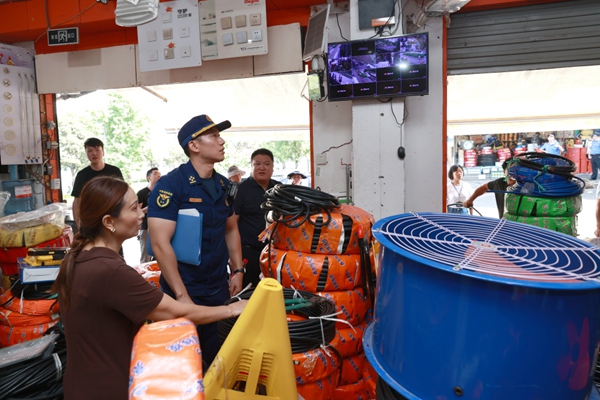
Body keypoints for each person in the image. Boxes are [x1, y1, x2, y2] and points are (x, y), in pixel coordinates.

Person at [52, 176, 246, 400]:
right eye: (134, 208)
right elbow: (175, 312)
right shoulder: (109, 270)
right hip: (107, 389)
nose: (141, 214)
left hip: (83, 383)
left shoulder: (82, 255)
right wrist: (232, 309)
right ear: (109, 221)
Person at [147, 114, 244, 367]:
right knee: (182, 359)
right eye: (214, 136)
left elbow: (230, 229)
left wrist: (238, 270)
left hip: (217, 287)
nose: (222, 141)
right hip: (183, 287)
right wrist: (181, 296)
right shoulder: (171, 185)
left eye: (220, 136)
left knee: (216, 356)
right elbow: (160, 243)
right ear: (194, 145)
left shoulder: (224, 185)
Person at [234, 149, 279, 289]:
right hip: (249, 252)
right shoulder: (241, 190)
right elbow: (232, 224)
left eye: (266, 164)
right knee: (249, 291)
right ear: (251, 166)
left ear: (272, 167)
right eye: (257, 164)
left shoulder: (280, 189)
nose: (262, 167)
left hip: (275, 252)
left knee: (275, 291)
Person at [71, 138, 124, 230]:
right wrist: (78, 222)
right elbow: (77, 201)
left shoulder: (114, 171)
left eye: (97, 150)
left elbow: (123, 195)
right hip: (91, 218)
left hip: (112, 216)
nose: (94, 153)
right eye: (90, 151)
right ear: (86, 154)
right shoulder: (82, 175)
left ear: (103, 152)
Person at [137, 167, 161, 263]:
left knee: (159, 256)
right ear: (149, 177)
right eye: (155, 174)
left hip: (159, 228)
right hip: (145, 228)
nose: (158, 176)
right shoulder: (141, 193)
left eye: (159, 174)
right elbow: (136, 213)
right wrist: (148, 208)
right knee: (145, 257)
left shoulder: (161, 192)